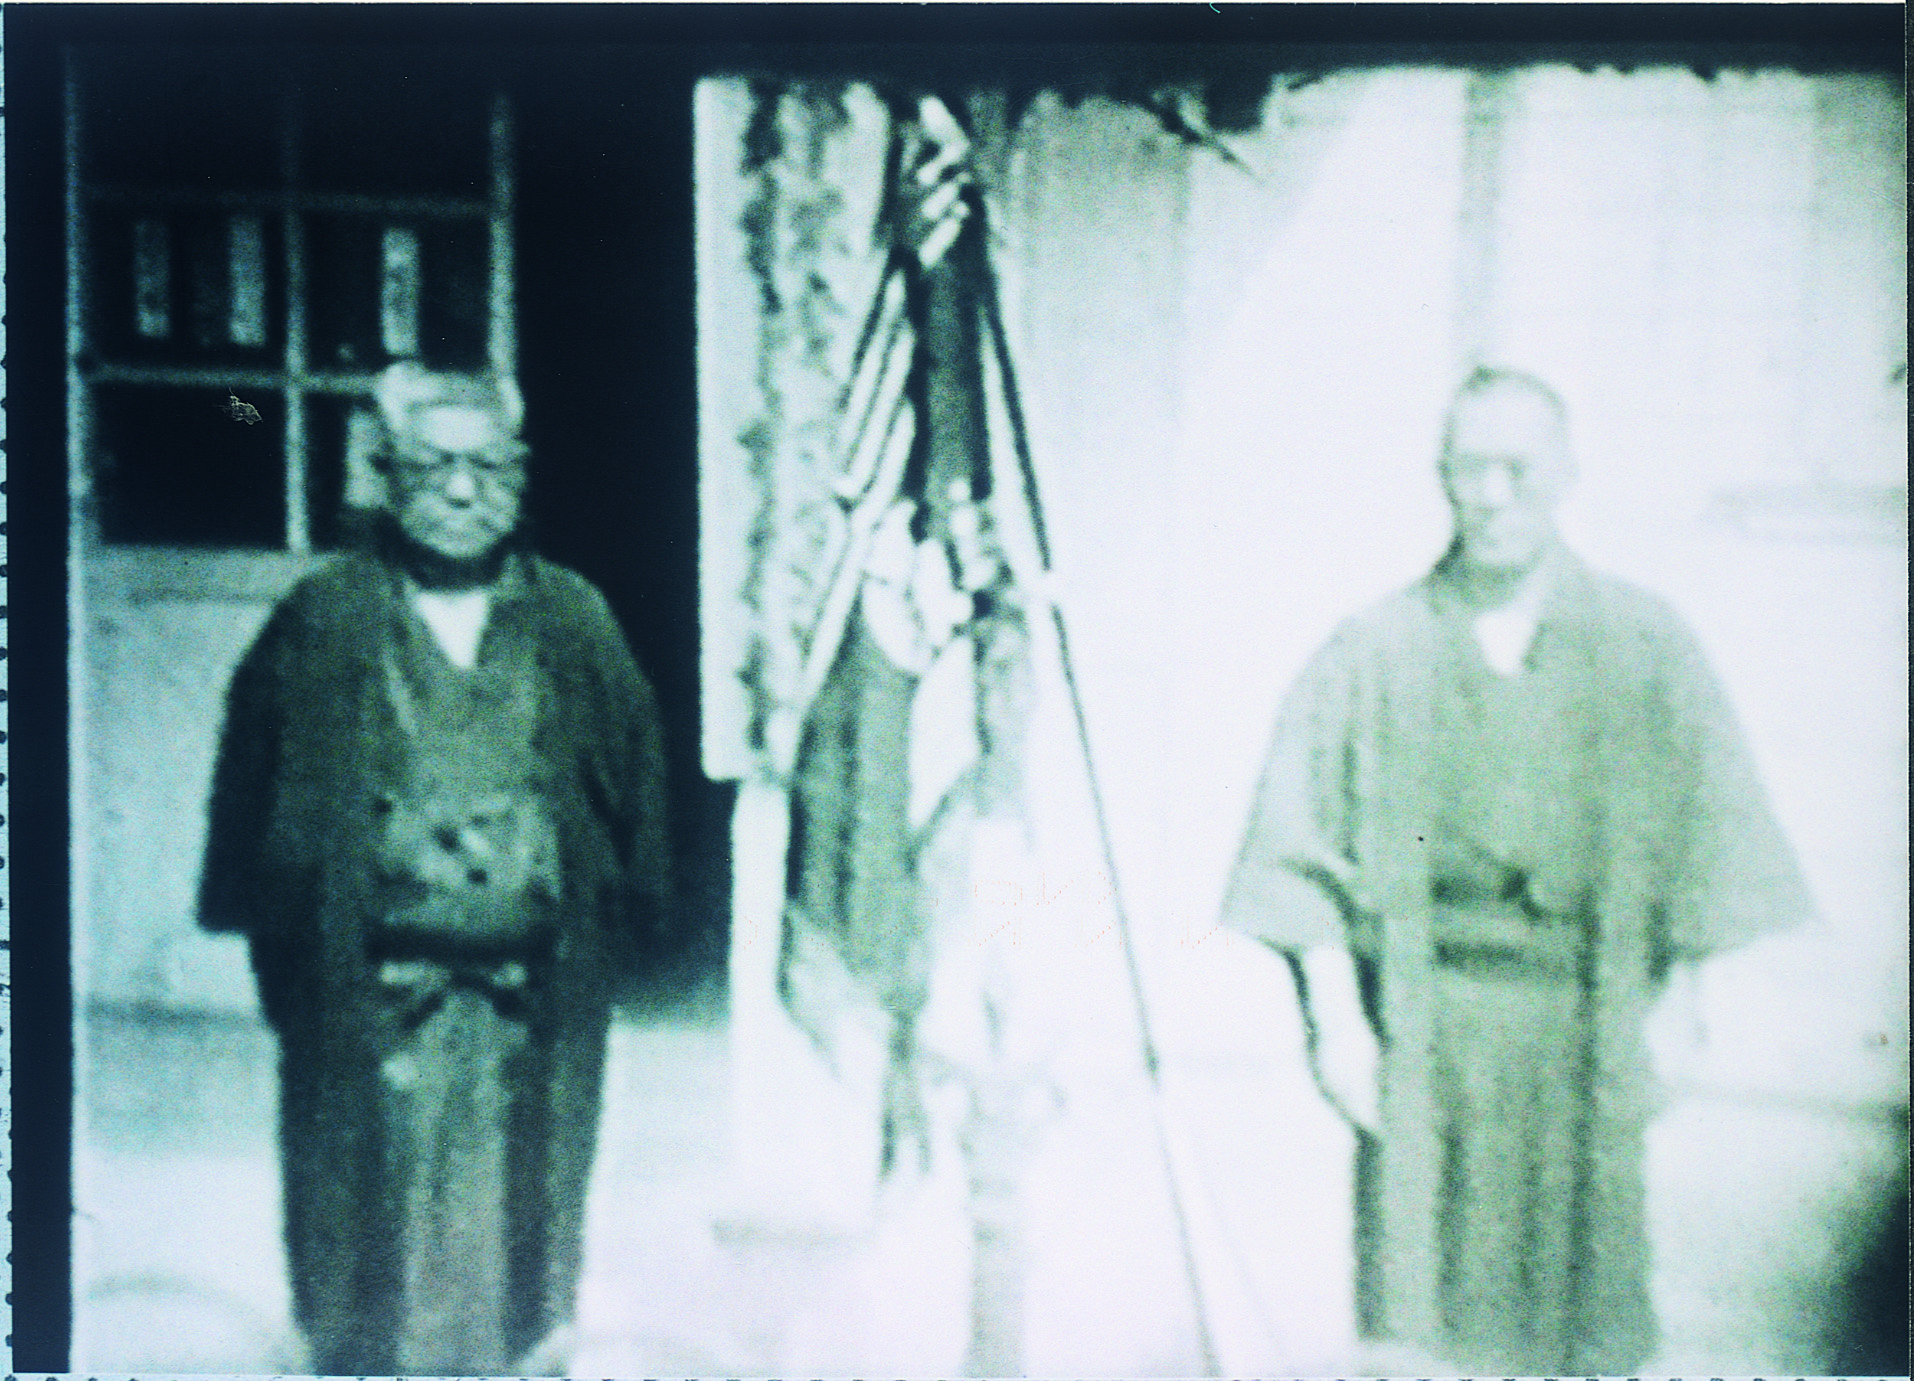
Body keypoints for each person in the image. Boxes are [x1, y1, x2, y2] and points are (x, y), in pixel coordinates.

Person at [1220, 367, 1812, 1374]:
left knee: (1582, 1319)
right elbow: (1298, 846)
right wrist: (1337, 1025)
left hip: (1590, 1025)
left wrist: (1682, 1004)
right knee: (1420, 1322)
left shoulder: (1644, 644)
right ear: (1440, 477)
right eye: (1468, 470)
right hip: (1424, 1033)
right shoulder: (1375, 649)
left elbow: (1706, 826)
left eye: (1517, 469)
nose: (1491, 496)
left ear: (1566, 473)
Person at [198, 362, 671, 1375]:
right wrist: (294, 961)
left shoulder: (574, 619)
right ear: (386, 474)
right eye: (432, 466)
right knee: (360, 1228)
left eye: (488, 468)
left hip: (528, 1001)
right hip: (368, 993)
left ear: (521, 476)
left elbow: (633, 797)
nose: (461, 491)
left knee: (520, 1227)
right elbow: (253, 798)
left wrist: (602, 932)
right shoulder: (322, 619)